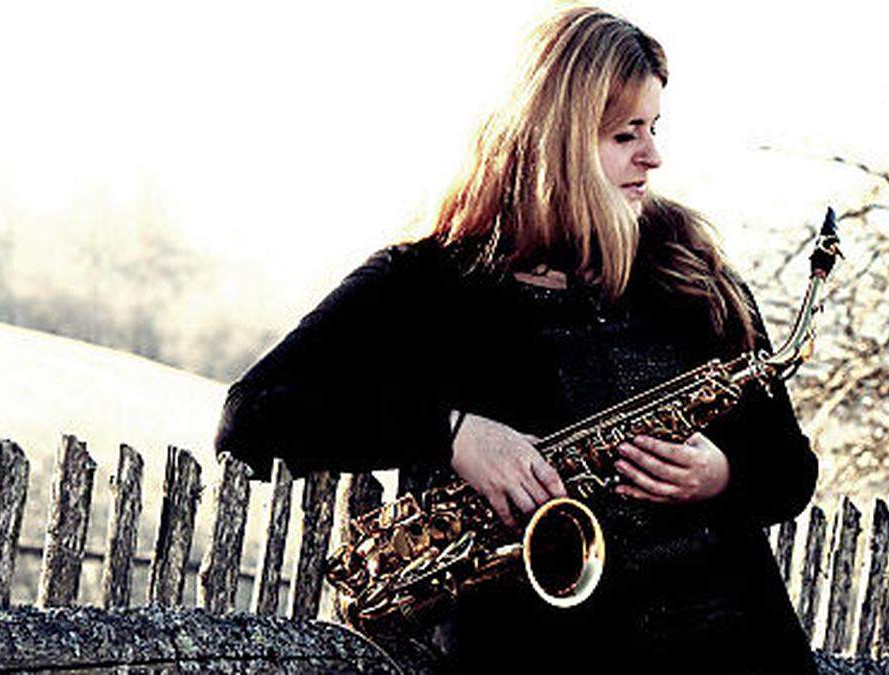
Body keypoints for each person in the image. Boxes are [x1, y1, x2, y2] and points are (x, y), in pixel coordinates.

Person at [216, 6, 819, 673]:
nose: (654, 156)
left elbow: (790, 470)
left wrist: (722, 474)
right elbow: (253, 414)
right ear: (557, 140)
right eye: (626, 135)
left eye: (654, 128)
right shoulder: (430, 281)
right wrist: (448, 432)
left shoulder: (691, 273)